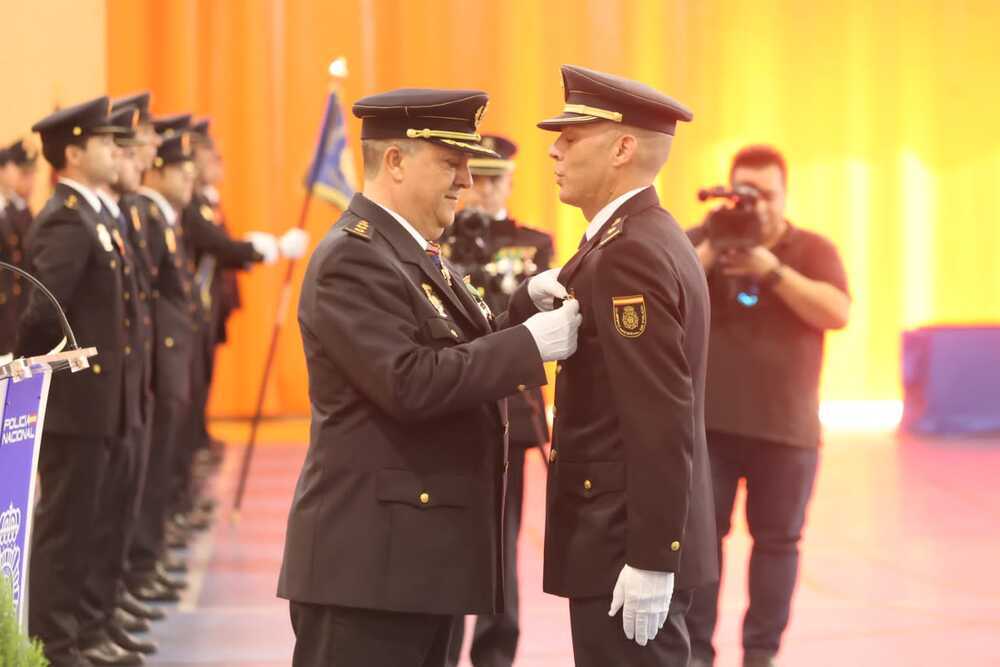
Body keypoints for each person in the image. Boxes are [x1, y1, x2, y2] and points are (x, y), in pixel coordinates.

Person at [277, 87, 581, 667]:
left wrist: (519, 310)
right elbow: (408, 382)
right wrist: (527, 346)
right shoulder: (355, 256)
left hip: (415, 561)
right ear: (394, 161)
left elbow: (448, 340)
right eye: (451, 163)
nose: (465, 181)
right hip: (370, 570)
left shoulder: (411, 250)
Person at [507, 64, 717, 666]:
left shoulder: (629, 256)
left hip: (623, 539)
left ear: (623, 147)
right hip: (616, 532)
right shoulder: (626, 240)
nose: (554, 150)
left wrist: (652, 556)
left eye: (572, 138)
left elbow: (660, 415)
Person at [685, 145, 851, 667]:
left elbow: (836, 312)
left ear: (784, 196)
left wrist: (771, 270)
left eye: (766, 195)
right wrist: (711, 250)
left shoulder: (812, 248)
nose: (754, 206)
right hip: (708, 429)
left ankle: (760, 655)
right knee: (701, 547)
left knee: (778, 545)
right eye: (743, 194)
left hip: (787, 431)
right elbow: (658, 292)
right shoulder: (701, 241)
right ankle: (696, 655)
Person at [18, 95, 144, 667]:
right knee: (65, 529)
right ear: (72, 152)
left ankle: (86, 628)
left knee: (90, 522)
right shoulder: (67, 219)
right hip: (76, 402)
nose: (114, 149)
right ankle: (56, 642)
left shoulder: (93, 215)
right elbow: (43, 311)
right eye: (101, 141)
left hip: (103, 399)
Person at [444, 134, 553, 667]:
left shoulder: (534, 243)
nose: (483, 190)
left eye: (494, 179)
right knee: (438, 535)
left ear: (510, 180)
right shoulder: (437, 241)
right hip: (444, 404)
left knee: (500, 539)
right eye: (476, 178)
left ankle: (494, 651)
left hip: (510, 409)